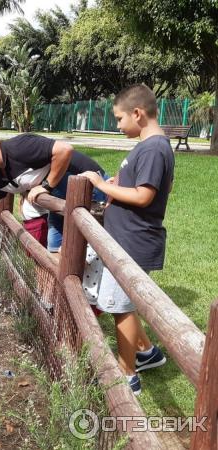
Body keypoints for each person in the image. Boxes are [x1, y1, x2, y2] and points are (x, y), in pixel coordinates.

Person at [80, 84, 174, 395]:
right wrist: (114, 183)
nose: (118, 125)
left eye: (120, 119)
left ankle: (127, 377)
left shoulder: (153, 148)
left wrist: (101, 186)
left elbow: (144, 195)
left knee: (120, 307)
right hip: (125, 238)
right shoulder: (147, 147)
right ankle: (148, 354)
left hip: (134, 241)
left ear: (138, 113)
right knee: (122, 305)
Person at [0, 129, 106, 256]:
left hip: (91, 190)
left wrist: (46, 186)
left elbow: (64, 149)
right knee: (57, 253)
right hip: (60, 205)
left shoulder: (20, 147)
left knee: (90, 254)